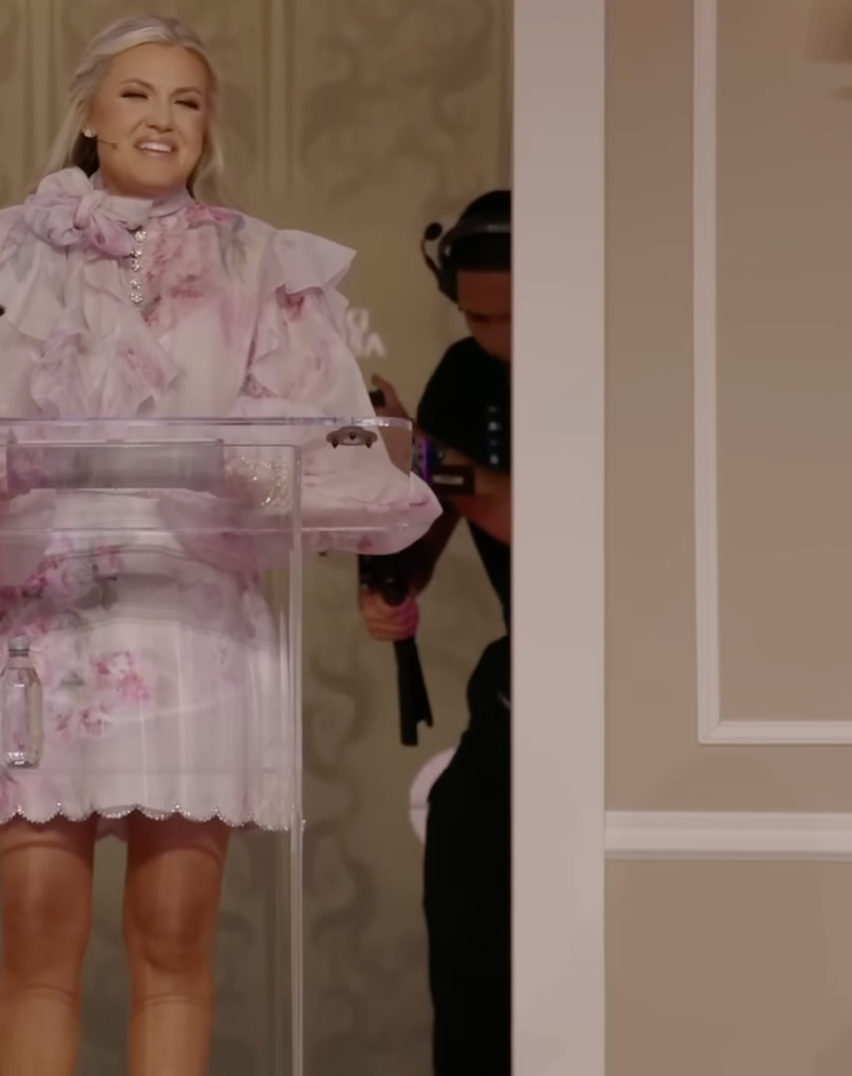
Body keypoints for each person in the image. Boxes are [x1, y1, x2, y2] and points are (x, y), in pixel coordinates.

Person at [0, 16, 438, 1076]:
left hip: (194, 629)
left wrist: (221, 463)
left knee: (174, 942)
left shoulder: (259, 262)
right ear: (89, 114)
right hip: (41, 630)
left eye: (187, 102)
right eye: (137, 94)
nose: (161, 119)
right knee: (37, 938)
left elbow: (312, 455)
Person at [362, 189, 512, 1076]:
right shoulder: (465, 374)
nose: (497, 338)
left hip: (618, 684)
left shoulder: (607, 363)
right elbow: (434, 520)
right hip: (515, 692)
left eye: (514, 318)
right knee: (465, 888)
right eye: (478, 318)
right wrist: (393, 583)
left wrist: (416, 448)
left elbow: (532, 514)